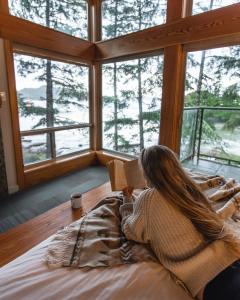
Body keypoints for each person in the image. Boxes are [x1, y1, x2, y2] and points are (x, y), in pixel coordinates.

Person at [120, 145, 240, 300]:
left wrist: (127, 201)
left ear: (147, 172)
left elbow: (130, 231)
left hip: (212, 282)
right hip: (231, 257)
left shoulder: (148, 198)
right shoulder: (189, 189)